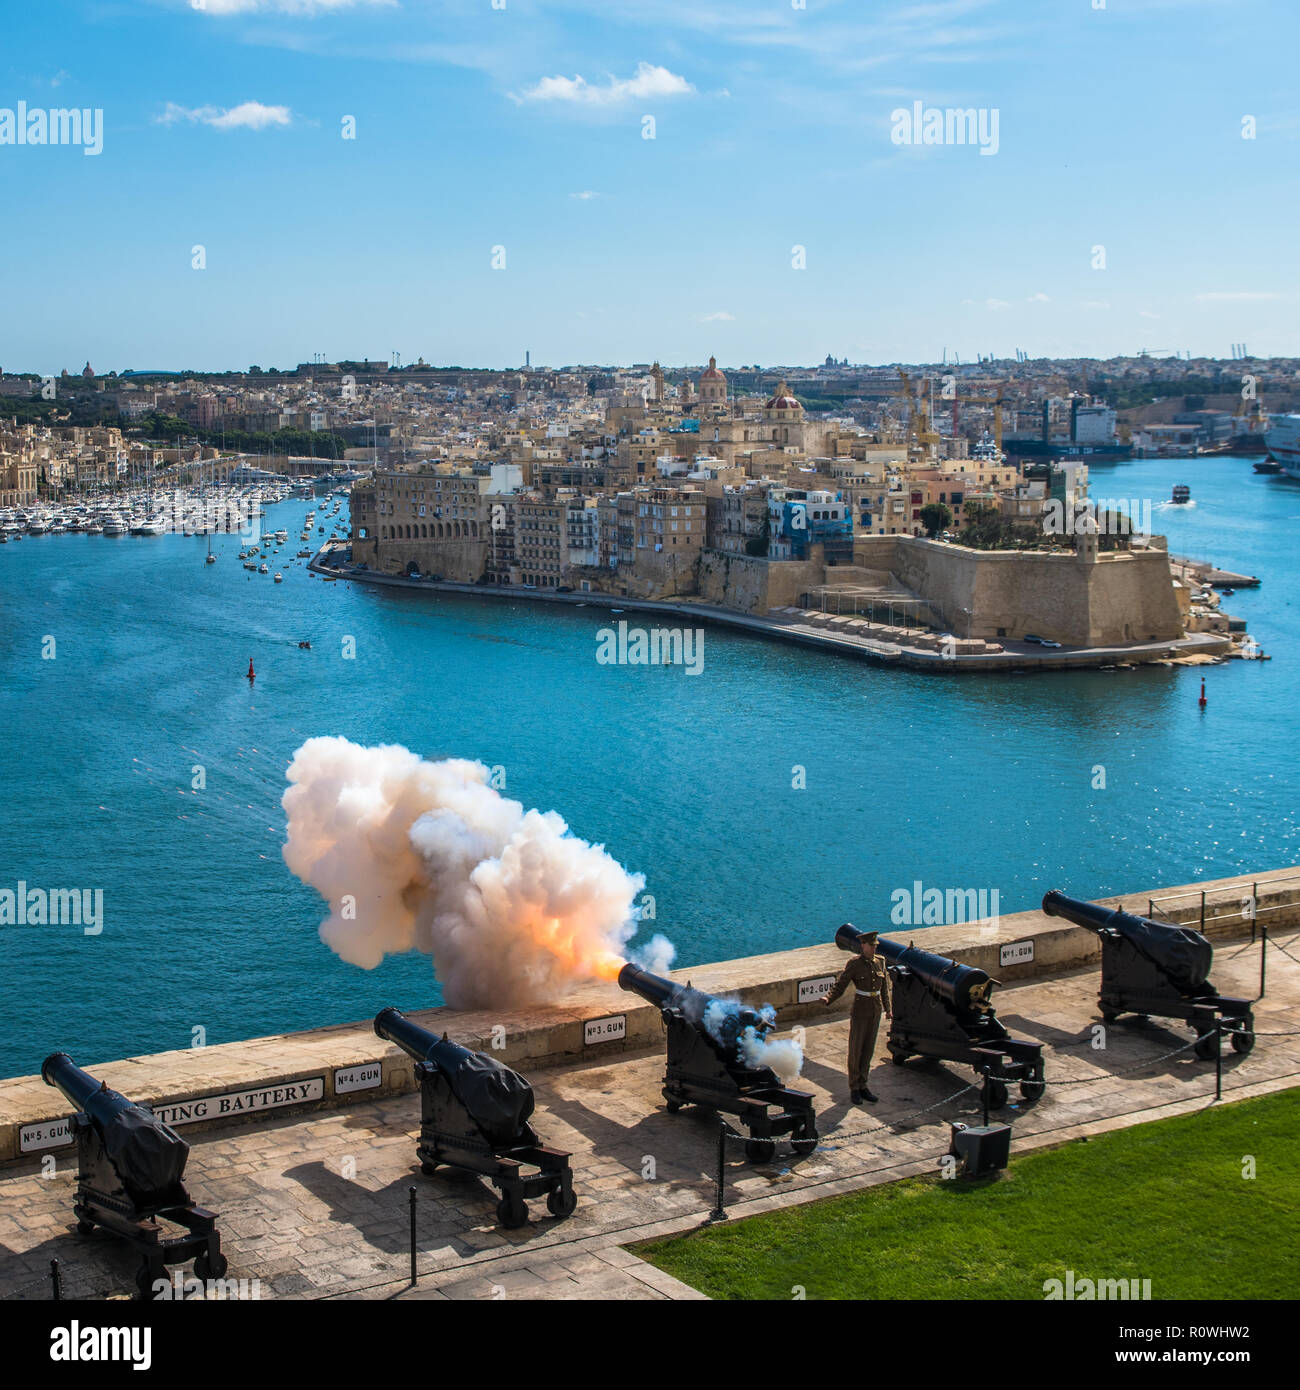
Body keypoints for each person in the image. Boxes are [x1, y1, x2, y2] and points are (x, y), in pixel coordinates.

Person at [823, 927, 892, 1104]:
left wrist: (888, 1009)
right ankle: (854, 1087)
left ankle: (864, 1085)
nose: (874, 948)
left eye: (875, 945)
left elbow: (884, 988)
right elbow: (841, 984)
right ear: (862, 945)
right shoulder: (854, 964)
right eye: (871, 946)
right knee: (856, 1050)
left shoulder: (881, 962)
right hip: (861, 1010)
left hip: (875, 1010)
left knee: (868, 1050)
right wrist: (828, 998)